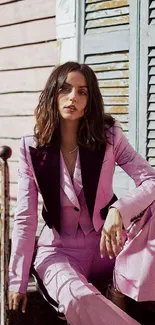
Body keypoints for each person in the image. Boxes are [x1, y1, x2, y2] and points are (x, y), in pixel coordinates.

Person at [8, 61, 155, 325]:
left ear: (90, 100)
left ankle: (119, 288)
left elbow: (150, 181)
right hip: (58, 252)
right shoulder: (31, 148)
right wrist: (17, 281)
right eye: (65, 89)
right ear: (53, 93)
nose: (72, 97)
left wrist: (118, 210)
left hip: (108, 248)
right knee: (80, 299)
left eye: (82, 92)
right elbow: (25, 219)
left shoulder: (110, 138)